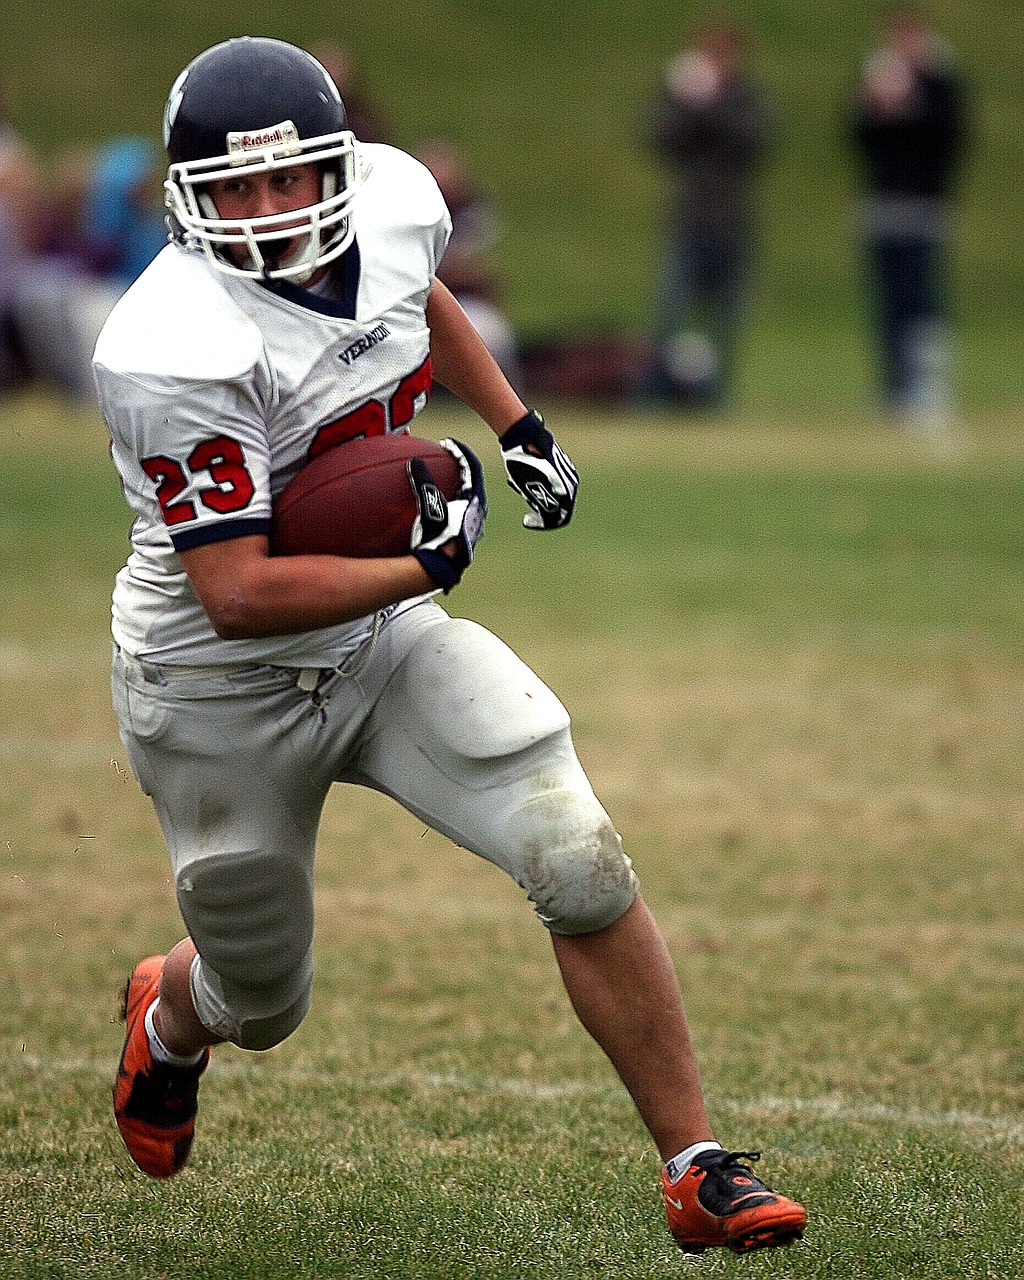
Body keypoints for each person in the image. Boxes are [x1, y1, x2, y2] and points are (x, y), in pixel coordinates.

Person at [93, 37, 806, 1256]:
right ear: (188, 200)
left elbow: (415, 295)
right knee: (262, 998)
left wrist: (515, 420)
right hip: (219, 685)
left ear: (338, 168)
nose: (271, 212)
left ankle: (697, 1165)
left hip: (376, 634)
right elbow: (236, 591)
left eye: (291, 181)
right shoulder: (169, 342)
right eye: (238, 191)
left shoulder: (393, 201)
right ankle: (171, 1017)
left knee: (569, 842)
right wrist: (425, 558)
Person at [845, 6, 969, 430]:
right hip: (883, 204)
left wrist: (909, 107)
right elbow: (858, 138)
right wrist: (876, 107)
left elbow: (949, 136)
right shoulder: (877, 77)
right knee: (888, 300)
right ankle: (894, 385)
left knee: (923, 298)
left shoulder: (941, 81)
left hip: (923, 204)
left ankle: (930, 383)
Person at [642, 16, 774, 410]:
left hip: (732, 220)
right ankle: (656, 391)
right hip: (690, 217)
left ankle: (715, 396)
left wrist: (710, 105)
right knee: (671, 311)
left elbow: (755, 140)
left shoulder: (745, 97)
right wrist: (689, 103)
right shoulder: (684, 95)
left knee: (725, 317)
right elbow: (659, 136)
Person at [418, 138, 523, 387]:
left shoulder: (469, 210)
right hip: (414, 302)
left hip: (464, 302)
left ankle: (507, 389)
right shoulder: (408, 211)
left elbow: (475, 272)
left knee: (487, 329)